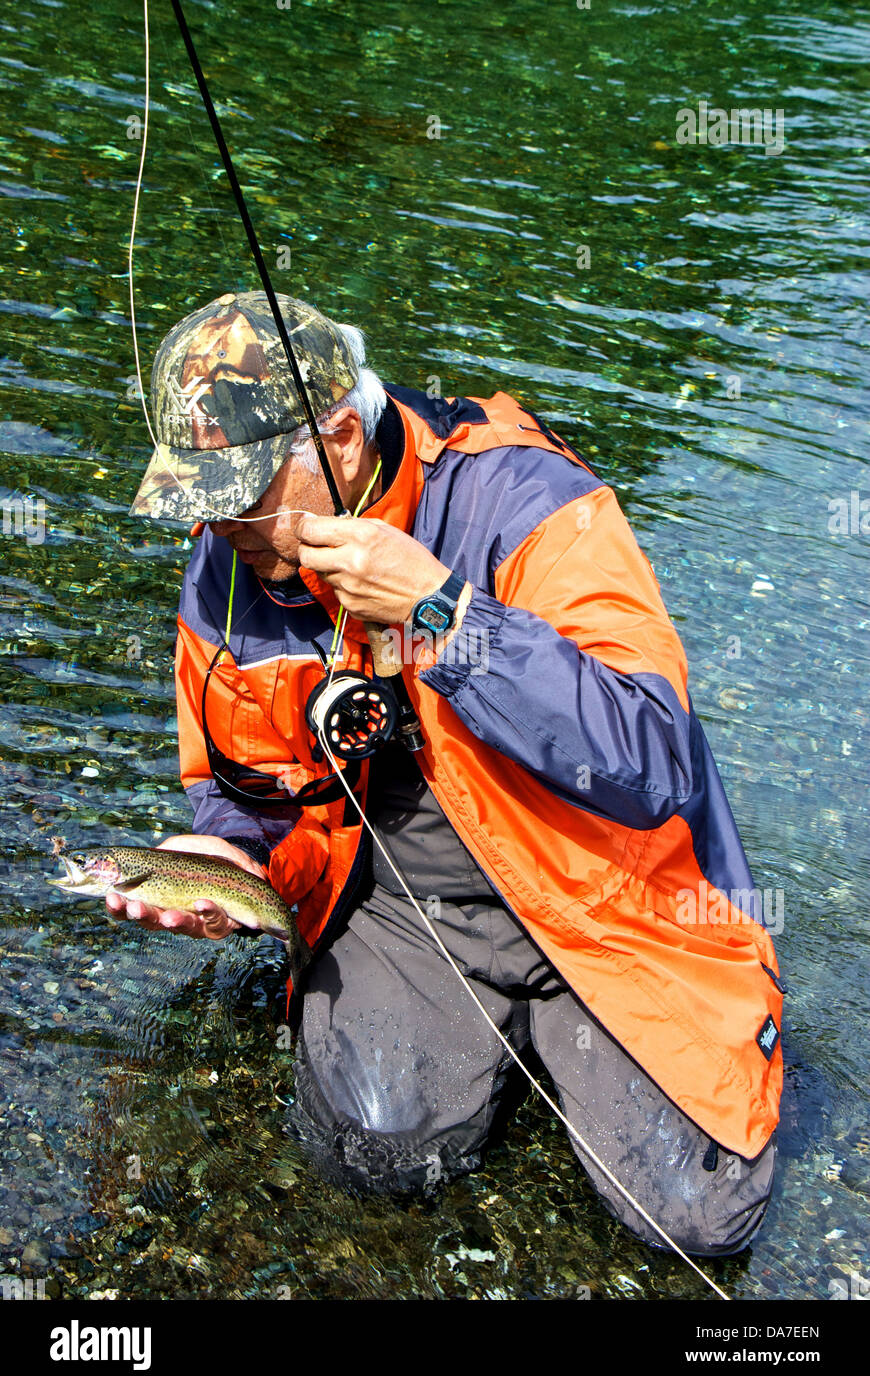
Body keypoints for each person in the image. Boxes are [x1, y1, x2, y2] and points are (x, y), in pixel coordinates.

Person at [116, 289, 784, 1257]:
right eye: (202, 505)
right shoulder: (228, 563)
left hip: (600, 888)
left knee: (697, 1212)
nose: (221, 533)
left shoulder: (531, 501)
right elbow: (247, 792)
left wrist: (444, 613)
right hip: (411, 908)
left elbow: (653, 756)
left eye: (240, 502)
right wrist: (225, 856)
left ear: (340, 438)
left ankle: (590, 1034)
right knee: (370, 1149)